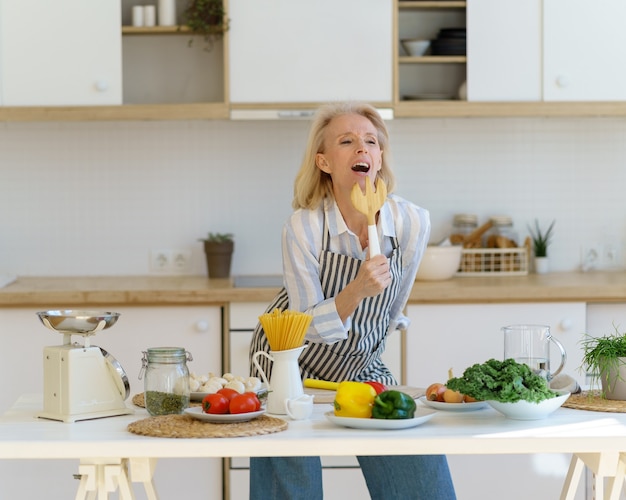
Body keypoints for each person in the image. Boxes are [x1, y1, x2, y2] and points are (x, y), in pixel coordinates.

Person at [248, 101, 456, 500]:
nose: (362, 148)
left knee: (414, 466)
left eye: (371, 141)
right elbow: (305, 324)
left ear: (379, 158)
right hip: (288, 364)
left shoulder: (412, 221)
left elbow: (395, 302)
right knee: (292, 485)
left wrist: (368, 343)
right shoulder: (304, 227)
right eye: (347, 141)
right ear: (324, 162)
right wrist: (357, 288)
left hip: (362, 362)